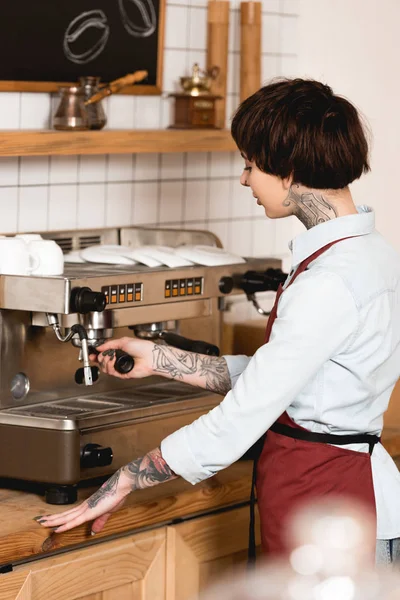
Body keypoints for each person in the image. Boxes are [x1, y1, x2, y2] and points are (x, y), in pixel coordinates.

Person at [36, 78, 400, 567]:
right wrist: (162, 360)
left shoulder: (330, 280)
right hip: (335, 500)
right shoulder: (369, 254)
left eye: (250, 165)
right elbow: (293, 380)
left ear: (288, 172)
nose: (244, 179)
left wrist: (124, 479)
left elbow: (239, 420)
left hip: (333, 510)